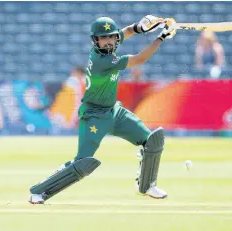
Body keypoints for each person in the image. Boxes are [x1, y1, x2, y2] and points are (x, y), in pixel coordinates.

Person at [28, 15, 177, 204]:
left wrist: (140, 26)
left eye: (112, 37)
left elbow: (127, 32)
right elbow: (140, 58)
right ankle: (39, 192)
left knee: (151, 142)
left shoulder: (108, 45)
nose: (109, 41)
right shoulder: (102, 61)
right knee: (83, 163)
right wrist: (162, 37)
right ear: (95, 40)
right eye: (103, 38)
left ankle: (147, 185)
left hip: (114, 112)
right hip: (93, 117)